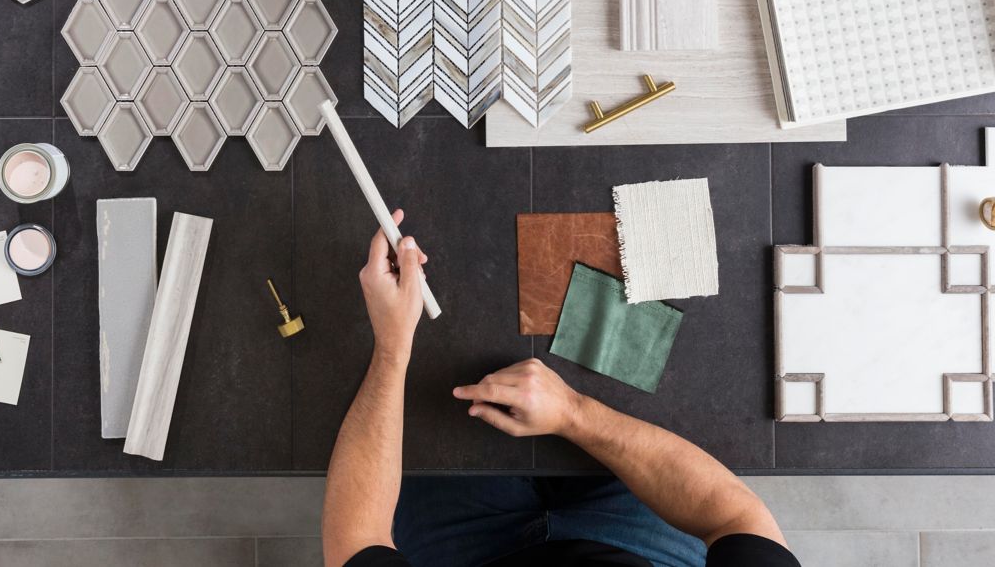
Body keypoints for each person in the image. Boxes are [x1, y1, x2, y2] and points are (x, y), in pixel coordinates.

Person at [324, 210, 801, 567]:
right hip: (636, 542)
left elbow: (354, 542)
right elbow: (739, 517)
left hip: (476, 550)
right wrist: (573, 412)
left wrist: (392, 347)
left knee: (438, 434)